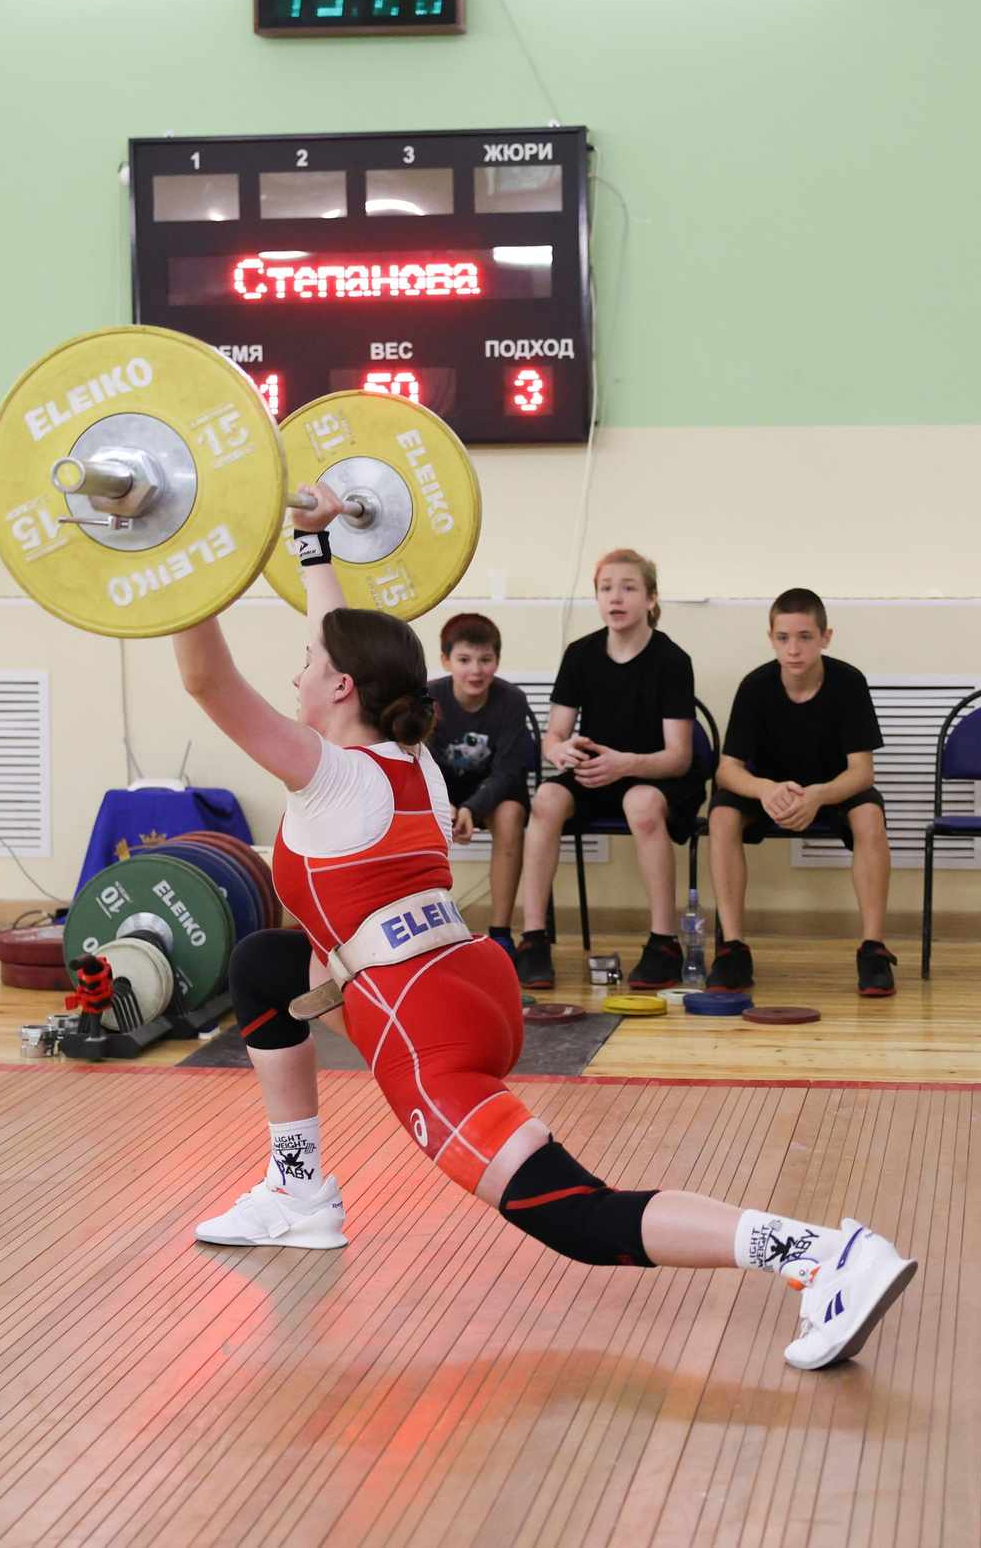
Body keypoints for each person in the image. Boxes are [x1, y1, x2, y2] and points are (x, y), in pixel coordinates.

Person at [169, 496, 917, 1370]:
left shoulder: (330, 775)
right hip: (472, 981)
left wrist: (186, 564)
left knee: (574, 1215)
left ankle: (823, 1254)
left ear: (341, 689)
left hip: (423, 1025)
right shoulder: (404, 757)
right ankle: (297, 1191)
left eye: (306, 662)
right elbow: (343, 634)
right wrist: (311, 539)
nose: (296, 672)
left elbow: (207, 681)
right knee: (264, 965)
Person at [513, 550, 707, 992]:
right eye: (606, 588)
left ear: (651, 598)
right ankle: (534, 940)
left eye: (628, 588)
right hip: (600, 770)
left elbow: (678, 756)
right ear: (597, 598)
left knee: (639, 803)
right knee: (545, 799)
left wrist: (625, 764)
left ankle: (664, 944)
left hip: (657, 774)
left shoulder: (672, 660)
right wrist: (562, 751)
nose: (615, 598)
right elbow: (553, 737)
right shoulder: (580, 653)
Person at [708, 589, 896, 996]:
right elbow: (727, 770)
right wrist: (763, 789)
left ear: (826, 637)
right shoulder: (755, 687)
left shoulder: (848, 683)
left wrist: (818, 795)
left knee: (869, 815)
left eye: (805, 637)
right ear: (771, 638)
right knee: (722, 814)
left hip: (831, 789)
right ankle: (732, 950)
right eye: (783, 637)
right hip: (769, 789)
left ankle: (873, 951)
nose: (794, 649)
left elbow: (862, 772)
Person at [427, 612, 533, 952]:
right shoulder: (429, 699)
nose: (476, 670)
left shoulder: (512, 700)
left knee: (510, 817)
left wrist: (472, 808)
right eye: (464, 660)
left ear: (497, 661)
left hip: (495, 787)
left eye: (485, 659)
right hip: (444, 786)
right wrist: (448, 805)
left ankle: (501, 931)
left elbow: (507, 772)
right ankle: (430, 932)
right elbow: (422, 764)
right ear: (445, 661)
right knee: (416, 815)